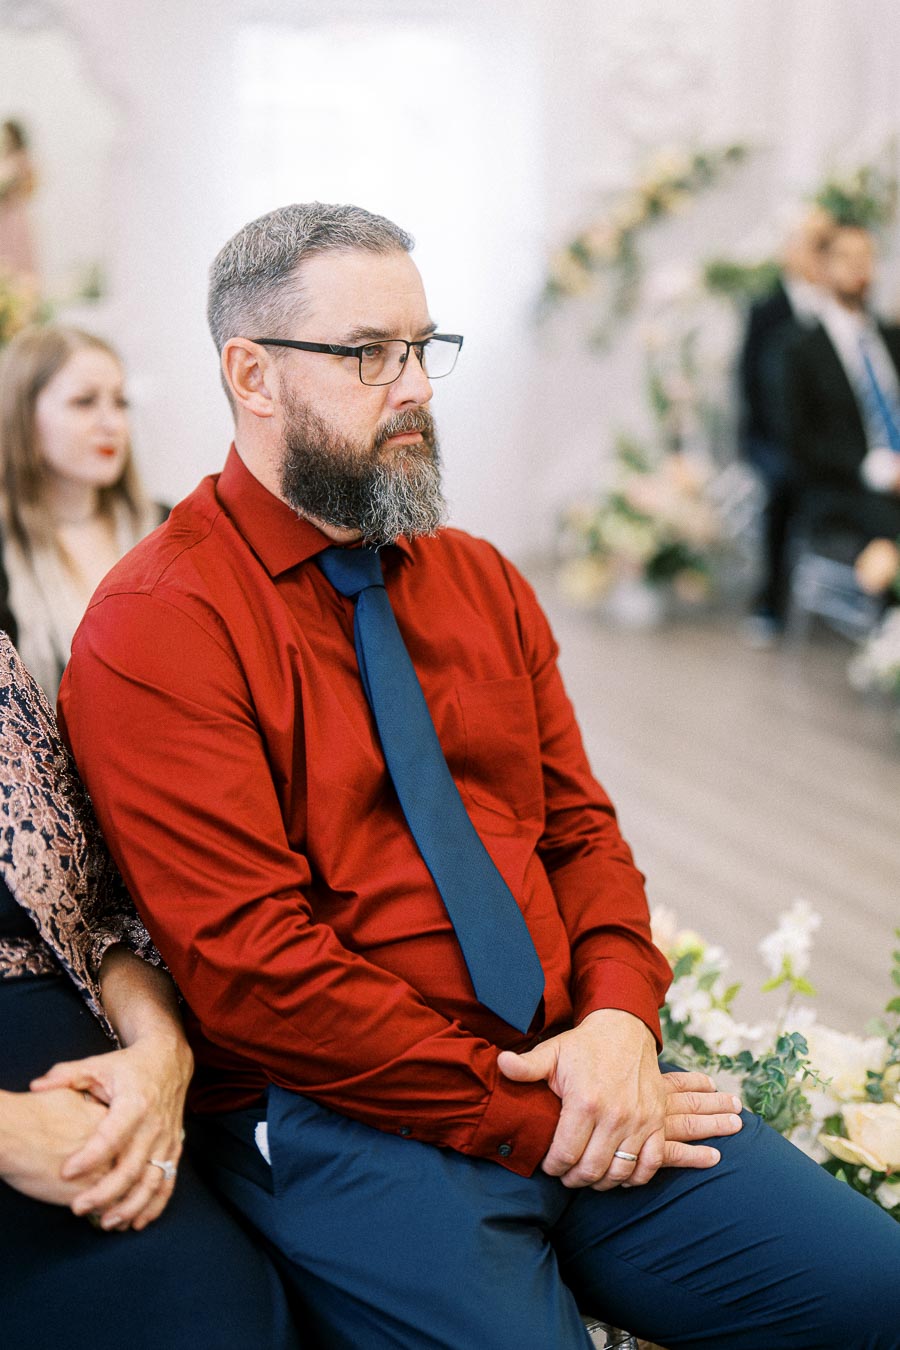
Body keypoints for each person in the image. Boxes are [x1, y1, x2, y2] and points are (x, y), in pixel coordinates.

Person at [58, 202, 900, 1350]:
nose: (415, 386)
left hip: (578, 1066)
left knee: (875, 1290)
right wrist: (528, 1111)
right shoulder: (158, 626)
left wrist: (617, 1020)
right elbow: (255, 967)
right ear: (251, 375)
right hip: (346, 1117)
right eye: (368, 355)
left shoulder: (480, 579)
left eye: (422, 346)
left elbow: (581, 836)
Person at [0, 630, 300, 1348]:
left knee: (229, 1319)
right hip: (37, 1139)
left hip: (88, 1103)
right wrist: (10, 1137)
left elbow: (99, 914)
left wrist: (159, 1054)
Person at [0, 324, 166, 698]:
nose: (112, 424)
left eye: (120, 402)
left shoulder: (167, 526)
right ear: (23, 418)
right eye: (84, 402)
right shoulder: (4, 548)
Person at [737, 205, 834, 642]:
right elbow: (751, 384)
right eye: (814, 244)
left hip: (827, 436)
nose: (822, 254)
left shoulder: (838, 306)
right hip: (770, 436)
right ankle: (770, 599)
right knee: (784, 482)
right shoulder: (767, 309)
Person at [785, 223, 900, 550]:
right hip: (849, 488)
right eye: (845, 256)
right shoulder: (798, 350)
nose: (857, 265)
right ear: (822, 267)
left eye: (866, 256)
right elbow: (800, 440)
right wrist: (879, 469)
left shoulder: (892, 338)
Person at [0, 119, 37, 281]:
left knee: (16, 252)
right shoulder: (3, 158)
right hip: (3, 214)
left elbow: (31, 186)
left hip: (14, 215)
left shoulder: (22, 158)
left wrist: (13, 189)